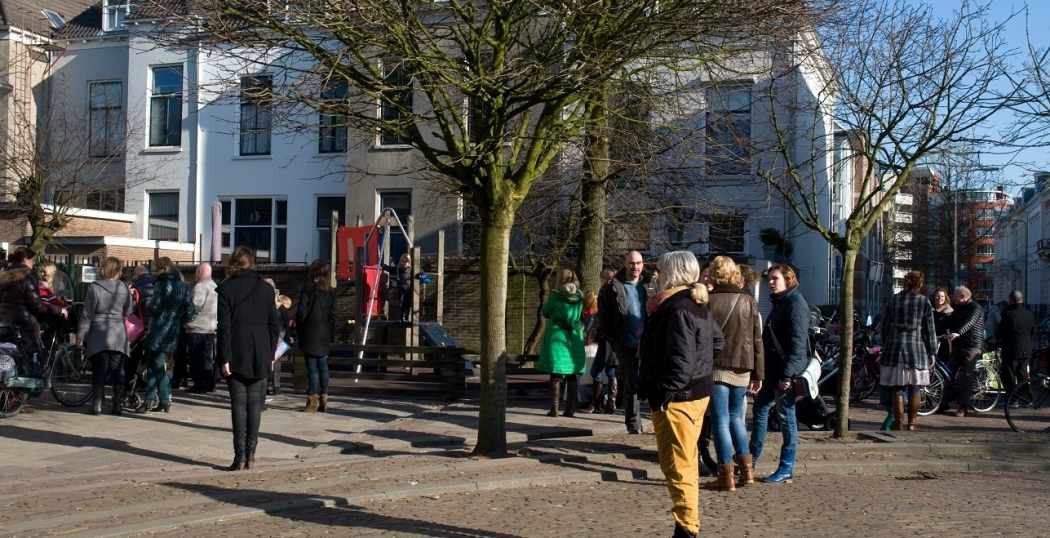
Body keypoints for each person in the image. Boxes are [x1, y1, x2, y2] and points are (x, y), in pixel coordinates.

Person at [638, 251, 720, 538]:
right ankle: (685, 524)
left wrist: (667, 389)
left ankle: (687, 528)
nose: (656, 276)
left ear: (672, 273)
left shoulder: (679, 308)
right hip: (688, 393)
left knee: (679, 464)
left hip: (679, 398)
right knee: (678, 462)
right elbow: (716, 342)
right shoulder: (690, 304)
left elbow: (682, 362)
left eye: (660, 271)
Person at [218, 246, 282, 471]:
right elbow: (274, 326)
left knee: (238, 404)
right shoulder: (265, 289)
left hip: (236, 347)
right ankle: (251, 455)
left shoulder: (226, 288)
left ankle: (240, 456)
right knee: (254, 404)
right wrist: (271, 354)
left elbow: (223, 327)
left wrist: (224, 357)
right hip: (260, 349)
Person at [703, 256, 763, 491]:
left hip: (716, 366)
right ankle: (747, 471)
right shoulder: (748, 300)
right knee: (736, 418)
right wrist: (758, 373)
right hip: (742, 365)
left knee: (720, 420)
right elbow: (757, 340)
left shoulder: (708, 301)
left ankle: (726, 475)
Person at [748, 264, 808, 484]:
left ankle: (786, 467)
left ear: (788, 280)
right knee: (760, 410)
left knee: (786, 417)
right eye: (769, 279)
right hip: (771, 371)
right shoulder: (781, 302)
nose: (771, 282)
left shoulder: (795, 304)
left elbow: (797, 344)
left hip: (783, 372)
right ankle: (750, 461)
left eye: (775, 278)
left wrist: (787, 375)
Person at [0, 247, 68, 413]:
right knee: (32, 358)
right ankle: (18, 400)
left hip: (5, 322)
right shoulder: (27, 276)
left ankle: (9, 400)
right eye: (32, 260)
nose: (34, 263)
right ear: (25, 260)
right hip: (24, 322)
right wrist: (58, 310)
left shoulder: (4, 275)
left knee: (12, 360)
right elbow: (37, 305)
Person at [598, 251, 657, 433]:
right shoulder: (613, 287)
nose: (635, 267)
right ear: (625, 264)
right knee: (631, 385)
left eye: (638, 263)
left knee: (653, 383)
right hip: (625, 344)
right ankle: (633, 423)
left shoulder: (651, 285)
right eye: (632, 263)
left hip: (648, 344)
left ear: (643, 264)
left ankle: (657, 421)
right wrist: (614, 341)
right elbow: (604, 317)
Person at [879, 270, 937, 431]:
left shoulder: (893, 299)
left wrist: (885, 344)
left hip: (894, 345)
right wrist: (932, 351)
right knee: (915, 386)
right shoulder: (924, 301)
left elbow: (884, 326)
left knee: (896, 386)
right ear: (920, 283)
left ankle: (899, 424)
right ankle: (912, 424)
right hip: (916, 346)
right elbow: (930, 329)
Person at [76, 257, 134, 415]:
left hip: (99, 333)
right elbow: (128, 311)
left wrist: (81, 334)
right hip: (118, 333)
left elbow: (87, 314)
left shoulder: (94, 288)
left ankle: (97, 405)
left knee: (99, 369)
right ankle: (117, 404)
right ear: (117, 271)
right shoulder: (123, 288)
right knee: (118, 369)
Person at [139, 257, 195, 414]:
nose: (155, 272)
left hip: (159, 327)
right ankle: (151, 399)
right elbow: (190, 310)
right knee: (153, 364)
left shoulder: (161, 284)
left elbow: (156, 307)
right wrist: (177, 321)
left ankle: (163, 399)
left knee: (156, 366)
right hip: (172, 328)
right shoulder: (182, 286)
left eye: (156, 269)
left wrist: (149, 304)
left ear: (163, 269)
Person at [538, 267, 586, 417]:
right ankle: (570, 409)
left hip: (557, 336)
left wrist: (555, 315)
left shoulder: (555, 295)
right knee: (571, 374)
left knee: (555, 373)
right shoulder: (580, 296)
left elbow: (544, 312)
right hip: (574, 336)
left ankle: (554, 409)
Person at [296, 260, 337, 413]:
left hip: (309, 332)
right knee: (323, 366)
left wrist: (299, 330)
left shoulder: (308, 288)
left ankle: (312, 400)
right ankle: (324, 397)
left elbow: (301, 312)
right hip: (323, 333)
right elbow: (333, 314)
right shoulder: (331, 291)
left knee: (312, 368)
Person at [947, 285, 984, 417]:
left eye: (955, 296)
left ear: (963, 297)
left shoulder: (975, 308)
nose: (953, 298)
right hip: (958, 344)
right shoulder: (958, 309)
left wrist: (958, 332)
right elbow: (948, 321)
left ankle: (964, 406)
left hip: (972, 345)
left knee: (967, 374)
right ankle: (944, 401)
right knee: (949, 371)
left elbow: (970, 322)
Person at [996, 290, 1036, 407]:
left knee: (1008, 375)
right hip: (1025, 349)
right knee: (1022, 375)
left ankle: (1012, 399)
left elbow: (999, 333)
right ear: (1021, 300)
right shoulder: (1029, 314)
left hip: (1011, 349)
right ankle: (1025, 399)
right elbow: (1033, 332)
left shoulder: (1008, 314)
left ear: (1010, 300)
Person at [184, 264, 218, 393]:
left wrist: (187, 320)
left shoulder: (200, 286)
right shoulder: (214, 285)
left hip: (198, 327)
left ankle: (199, 385)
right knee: (207, 357)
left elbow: (195, 307)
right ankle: (209, 383)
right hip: (210, 327)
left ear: (199, 272)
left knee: (196, 358)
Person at [588, 268, 618, 413]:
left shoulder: (605, 291)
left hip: (606, 336)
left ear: (604, 278)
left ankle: (596, 403)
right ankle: (611, 402)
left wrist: (599, 331)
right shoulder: (619, 290)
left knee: (596, 371)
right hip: (615, 336)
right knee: (612, 369)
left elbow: (602, 314)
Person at [126, 265, 156, 391]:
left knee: (135, 357)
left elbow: (130, 309)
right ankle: (149, 384)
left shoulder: (136, 286)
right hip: (156, 327)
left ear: (137, 274)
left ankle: (133, 383)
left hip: (141, 328)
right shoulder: (157, 283)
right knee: (151, 358)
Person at [382, 253, 413, 322]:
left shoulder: (411, 269)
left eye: (405, 262)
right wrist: (383, 265)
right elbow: (390, 268)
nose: (404, 263)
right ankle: (400, 318)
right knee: (401, 302)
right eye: (402, 261)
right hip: (401, 288)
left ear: (408, 262)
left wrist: (421, 274)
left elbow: (419, 271)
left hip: (408, 288)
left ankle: (406, 317)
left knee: (407, 303)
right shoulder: (398, 268)